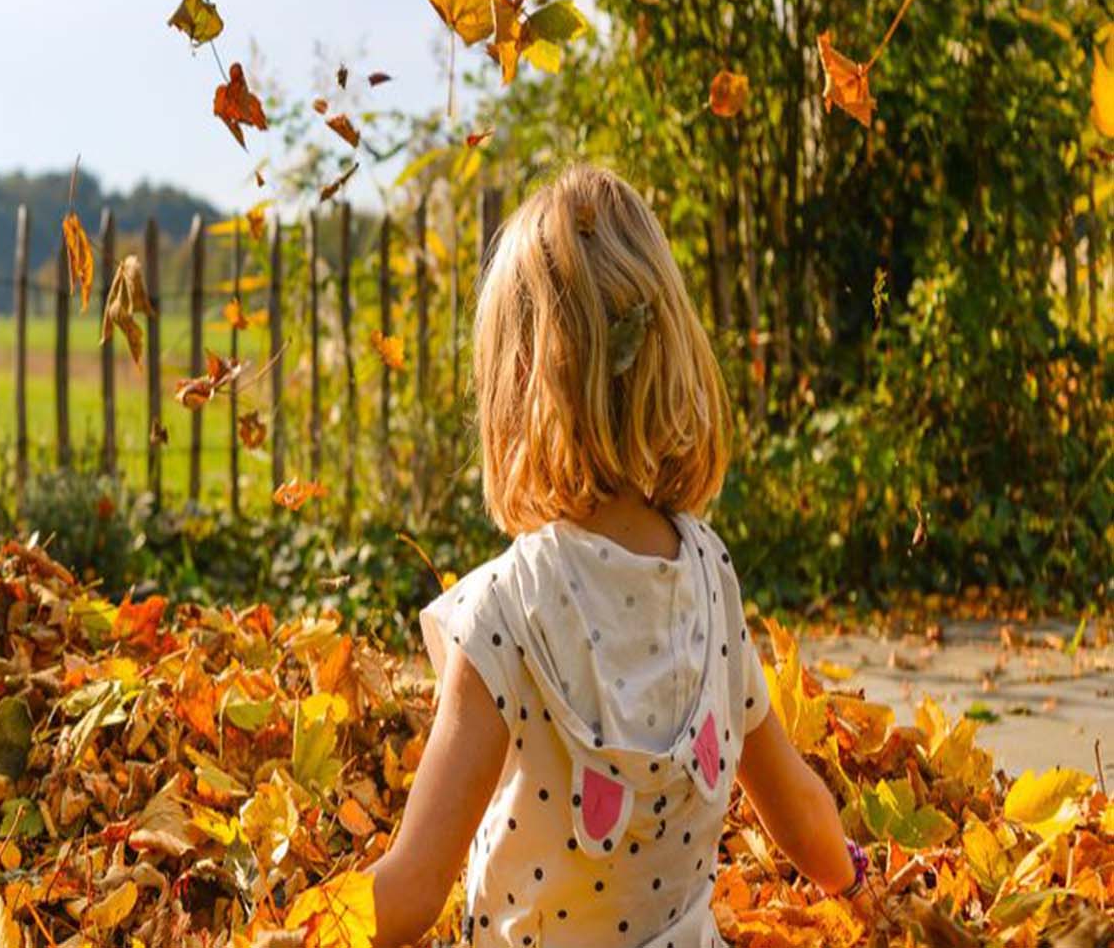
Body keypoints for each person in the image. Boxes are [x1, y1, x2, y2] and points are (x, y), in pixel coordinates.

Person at [365, 165, 870, 948]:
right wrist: (853, 876)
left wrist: (292, 928)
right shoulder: (709, 574)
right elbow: (800, 816)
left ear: (518, 382)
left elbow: (409, 893)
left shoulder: (505, 610)